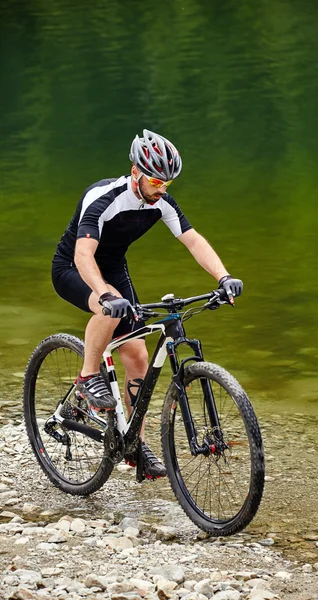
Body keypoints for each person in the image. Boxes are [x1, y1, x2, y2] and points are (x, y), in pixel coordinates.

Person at [52, 129, 243, 478]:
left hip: (113, 268)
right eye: (157, 180)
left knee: (138, 356)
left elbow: (193, 240)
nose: (162, 189)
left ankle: (134, 446)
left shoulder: (161, 202)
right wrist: (105, 294)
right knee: (108, 307)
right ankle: (87, 376)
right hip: (74, 267)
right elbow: (82, 254)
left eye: (168, 183)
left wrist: (223, 277)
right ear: (136, 172)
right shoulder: (104, 196)